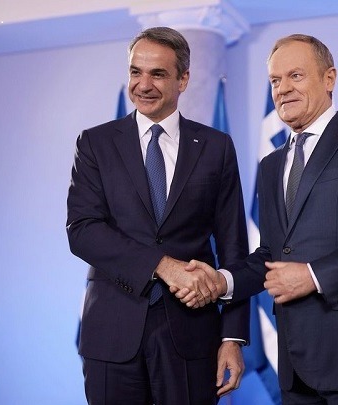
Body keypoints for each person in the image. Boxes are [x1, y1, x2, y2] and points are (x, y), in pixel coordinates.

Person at [176, 34, 338, 404]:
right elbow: (273, 255)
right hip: (296, 365)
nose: (282, 89)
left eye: (295, 76)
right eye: (275, 80)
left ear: (329, 78)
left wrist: (313, 275)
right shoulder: (271, 164)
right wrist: (222, 281)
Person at [66, 26, 249, 404]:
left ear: (183, 79)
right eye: (136, 72)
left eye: (158, 74)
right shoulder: (95, 143)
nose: (143, 85)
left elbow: (234, 246)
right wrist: (163, 266)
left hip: (193, 334)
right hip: (112, 330)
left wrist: (232, 337)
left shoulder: (216, 147)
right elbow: (83, 231)